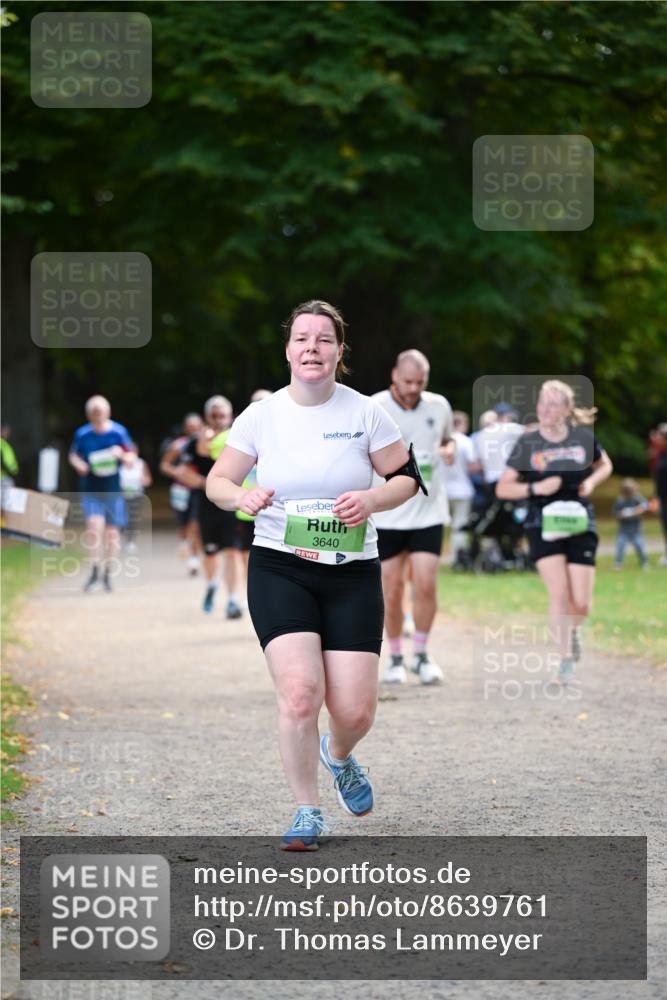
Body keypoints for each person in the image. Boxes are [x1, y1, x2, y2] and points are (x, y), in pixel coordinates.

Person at [206, 300, 420, 850]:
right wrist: (241, 496)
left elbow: (406, 479)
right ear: (288, 350)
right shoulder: (261, 416)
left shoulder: (366, 413)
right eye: (302, 338)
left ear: (339, 351)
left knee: (354, 711)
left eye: (324, 340)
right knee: (301, 694)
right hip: (280, 566)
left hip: (351, 572)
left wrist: (371, 499)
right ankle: (307, 810)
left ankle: (339, 754)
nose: (312, 348)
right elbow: (217, 482)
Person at [496, 380, 613, 684]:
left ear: (567, 409)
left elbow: (605, 465)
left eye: (552, 403)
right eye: (542, 403)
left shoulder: (582, 438)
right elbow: (503, 488)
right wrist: (537, 488)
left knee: (581, 603)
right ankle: (564, 660)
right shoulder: (528, 442)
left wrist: (591, 483)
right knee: (559, 593)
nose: (545, 409)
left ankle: (572, 631)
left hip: (579, 520)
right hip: (541, 523)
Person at [372, 350, 453, 686]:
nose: (414, 388)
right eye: (408, 381)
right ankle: (395, 657)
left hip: (428, 511)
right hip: (389, 516)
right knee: (391, 590)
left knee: (426, 583)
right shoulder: (375, 407)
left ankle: (421, 654)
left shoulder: (439, 406)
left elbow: (447, 440)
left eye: (420, 382)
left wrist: (449, 450)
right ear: (394, 375)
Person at [181, 396, 245, 617]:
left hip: (232, 504)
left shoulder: (238, 440)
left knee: (233, 551)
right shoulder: (195, 441)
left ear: (230, 417)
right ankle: (211, 584)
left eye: (222, 415)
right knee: (210, 552)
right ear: (207, 417)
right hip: (206, 504)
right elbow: (182, 471)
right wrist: (204, 483)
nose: (218, 419)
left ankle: (233, 600)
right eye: (214, 415)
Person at [68, 395, 135, 593]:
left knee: (112, 534)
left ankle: (107, 573)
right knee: (94, 526)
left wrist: (121, 454)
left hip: (113, 490)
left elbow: (131, 457)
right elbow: (73, 455)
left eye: (100, 412)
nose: (97, 416)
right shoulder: (82, 434)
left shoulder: (119, 432)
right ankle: (94, 570)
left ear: (108, 413)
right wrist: (79, 465)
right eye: (94, 413)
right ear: (88, 415)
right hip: (91, 489)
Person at [160, 413, 203, 575]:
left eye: (196, 427)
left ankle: (193, 558)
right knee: (183, 525)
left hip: (198, 490)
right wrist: (176, 471)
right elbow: (164, 465)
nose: (194, 431)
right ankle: (185, 543)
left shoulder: (205, 444)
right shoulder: (179, 445)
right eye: (190, 428)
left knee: (195, 524)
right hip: (181, 490)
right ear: (185, 429)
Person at [442, 411, 476, 567]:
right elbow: (472, 465)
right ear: (462, 424)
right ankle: (457, 557)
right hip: (462, 489)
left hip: (442, 489)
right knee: (459, 525)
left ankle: (438, 555)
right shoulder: (466, 441)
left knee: (441, 524)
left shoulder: (440, 441)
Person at [119, 444, 152, 551]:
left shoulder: (141, 463)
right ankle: (119, 536)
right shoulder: (119, 464)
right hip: (121, 495)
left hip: (136, 495)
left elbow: (148, 480)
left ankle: (130, 541)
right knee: (121, 517)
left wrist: (144, 480)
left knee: (133, 518)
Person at [612, 478, 649, 570]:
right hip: (624, 529)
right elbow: (615, 514)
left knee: (639, 545)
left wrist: (633, 511)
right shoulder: (620, 500)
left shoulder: (637, 498)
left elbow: (645, 506)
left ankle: (644, 562)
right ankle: (618, 563)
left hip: (636, 528)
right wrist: (622, 514)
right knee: (620, 545)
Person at [654, 423, 667, 566]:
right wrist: (657, 497)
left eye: (660, 436)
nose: (657, 438)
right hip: (663, 498)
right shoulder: (661, 454)